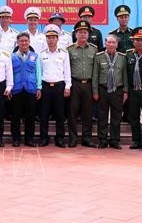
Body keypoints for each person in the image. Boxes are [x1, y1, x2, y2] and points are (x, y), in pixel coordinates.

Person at [92, 34, 128, 149]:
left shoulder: (122, 57)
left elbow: (125, 75)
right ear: (105, 44)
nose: (111, 44)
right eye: (109, 42)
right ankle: (102, 139)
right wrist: (95, 91)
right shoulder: (99, 57)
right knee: (102, 116)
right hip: (103, 89)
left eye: (113, 42)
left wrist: (126, 91)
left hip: (117, 90)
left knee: (116, 116)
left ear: (117, 44)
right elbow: (95, 75)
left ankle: (114, 140)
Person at [38, 24, 71, 147]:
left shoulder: (64, 53)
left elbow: (67, 71)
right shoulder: (41, 54)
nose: (51, 40)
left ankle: (60, 138)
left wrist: (68, 86)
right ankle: (43, 138)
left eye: (53, 37)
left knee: (60, 114)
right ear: (46, 39)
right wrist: (39, 87)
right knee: (44, 114)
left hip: (59, 86)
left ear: (57, 39)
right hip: (45, 86)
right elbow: (39, 72)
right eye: (49, 37)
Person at [67, 20, 98, 148]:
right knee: (72, 112)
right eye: (80, 32)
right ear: (75, 34)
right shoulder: (69, 50)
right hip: (75, 83)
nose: (83, 35)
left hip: (89, 84)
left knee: (88, 112)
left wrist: (95, 89)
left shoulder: (94, 49)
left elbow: (96, 71)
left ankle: (87, 138)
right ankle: (73, 138)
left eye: (85, 32)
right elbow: (66, 69)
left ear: (88, 35)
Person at [9, 32, 42, 147]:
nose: (24, 43)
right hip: (17, 89)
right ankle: (16, 139)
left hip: (31, 89)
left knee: (30, 116)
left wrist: (39, 87)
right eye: (21, 41)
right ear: (17, 43)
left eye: (26, 41)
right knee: (16, 116)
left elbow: (38, 72)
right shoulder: (12, 57)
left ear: (29, 42)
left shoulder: (35, 56)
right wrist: (9, 88)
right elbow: (9, 73)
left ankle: (29, 139)